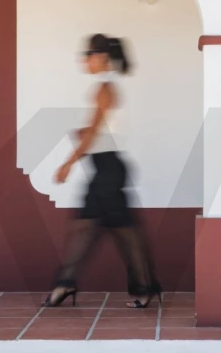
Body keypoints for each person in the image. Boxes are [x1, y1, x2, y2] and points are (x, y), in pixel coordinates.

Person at [44, 34, 161, 309]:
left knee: (115, 230)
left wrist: (68, 163)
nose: (84, 60)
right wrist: (85, 134)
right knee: (99, 227)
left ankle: (69, 285)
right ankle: (67, 284)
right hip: (106, 167)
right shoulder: (105, 88)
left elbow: (96, 130)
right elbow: (103, 130)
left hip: (108, 168)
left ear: (101, 58)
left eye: (88, 55)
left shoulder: (104, 89)